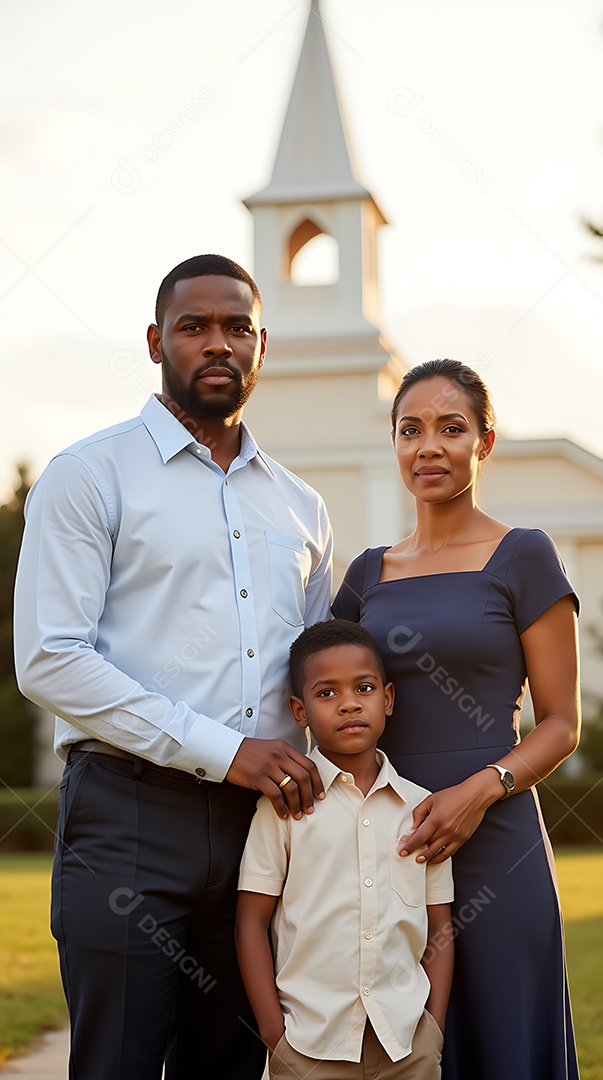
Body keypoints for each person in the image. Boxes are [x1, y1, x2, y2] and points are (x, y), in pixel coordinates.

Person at [13, 254, 333, 1080]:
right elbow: (49, 659)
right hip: (128, 815)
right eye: (194, 327)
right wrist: (226, 752)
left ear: (262, 345)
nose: (217, 343)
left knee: (231, 1062)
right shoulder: (89, 475)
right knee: (116, 1063)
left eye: (237, 327)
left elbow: (314, 677)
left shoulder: (302, 507)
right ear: (157, 343)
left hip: (262, 830)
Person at [332, 359, 581, 1080]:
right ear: (394, 443)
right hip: (392, 844)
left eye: (451, 428)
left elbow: (560, 723)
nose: (428, 447)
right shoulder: (366, 575)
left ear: (485, 442)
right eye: (410, 430)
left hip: (497, 840)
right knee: (401, 1050)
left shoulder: (524, 554)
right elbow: (328, 700)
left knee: (506, 1040)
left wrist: (478, 792)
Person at [236, 619, 454, 1080]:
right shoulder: (282, 807)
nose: (349, 703)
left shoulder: (422, 809)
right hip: (308, 1048)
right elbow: (250, 923)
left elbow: (440, 927)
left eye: (364, 688)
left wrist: (432, 1029)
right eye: (327, 693)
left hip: (407, 1046)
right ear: (299, 711)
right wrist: (275, 1036)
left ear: (387, 699)